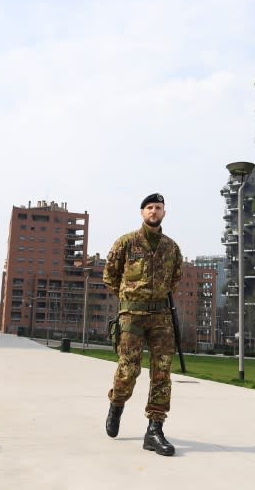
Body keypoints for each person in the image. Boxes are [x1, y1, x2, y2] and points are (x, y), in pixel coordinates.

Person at [103, 193, 183, 456]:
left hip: (161, 318)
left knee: (162, 372)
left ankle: (154, 429)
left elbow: (175, 278)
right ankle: (116, 404)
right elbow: (110, 276)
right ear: (142, 212)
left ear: (164, 213)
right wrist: (129, 298)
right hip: (132, 316)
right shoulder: (126, 243)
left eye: (158, 208)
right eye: (149, 207)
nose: (154, 211)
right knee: (129, 370)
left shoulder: (171, 248)